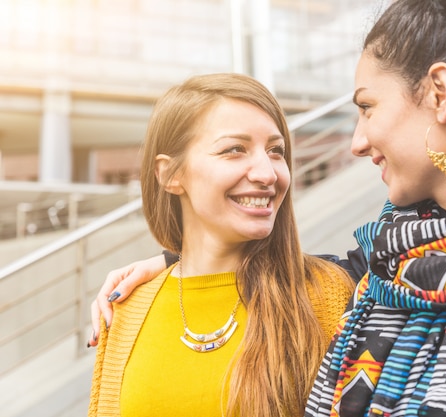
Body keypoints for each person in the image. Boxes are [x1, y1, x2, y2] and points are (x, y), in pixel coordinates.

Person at [92, 0, 446, 416]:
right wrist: (168, 265)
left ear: (440, 92)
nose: (356, 141)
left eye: (367, 107)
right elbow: (256, 269)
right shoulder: (388, 269)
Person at [87, 73, 355, 417]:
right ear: (170, 175)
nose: (267, 173)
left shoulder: (330, 295)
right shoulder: (125, 308)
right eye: (234, 149)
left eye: (276, 151)